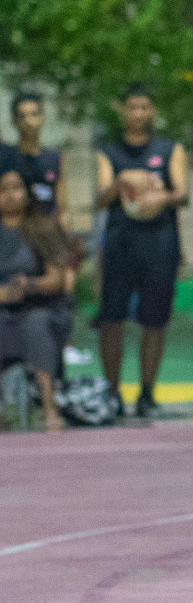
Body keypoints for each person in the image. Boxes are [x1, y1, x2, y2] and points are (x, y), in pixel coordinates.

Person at [95, 85, 189, 419]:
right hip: (121, 242)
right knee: (112, 319)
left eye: (145, 107)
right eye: (133, 107)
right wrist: (122, 183)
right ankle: (112, 391)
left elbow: (183, 192)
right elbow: (100, 197)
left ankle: (147, 392)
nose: (139, 113)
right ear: (122, 110)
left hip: (160, 241)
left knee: (154, 320)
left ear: (153, 111)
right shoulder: (108, 152)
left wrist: (159, 197)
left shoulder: (169, 148)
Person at [0, 169, 69, 430]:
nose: (9, 195)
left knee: (36, 325)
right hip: (3, 308)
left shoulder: (43, 227)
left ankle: (49, 407)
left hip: (40, 305)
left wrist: (29, 285)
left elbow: (58, 280)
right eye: (3, 189)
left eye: (15, 188)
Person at [10, 93, 67, 217]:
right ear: (13, 120)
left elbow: (61, 204)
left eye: (34, 115)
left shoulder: (54, 158)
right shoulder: (7, 158)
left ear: (42, 117)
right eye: (22, 116)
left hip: (45, 229)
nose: (28, 121)